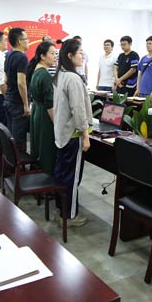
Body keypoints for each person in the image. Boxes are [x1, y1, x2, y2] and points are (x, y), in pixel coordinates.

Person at [53, 38, 93, 227]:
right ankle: (69, 216)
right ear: (70, 55)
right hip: (73, 135)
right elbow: (78, 109)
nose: (82, 56)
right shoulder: (73, 78)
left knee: (62, 174)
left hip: (62, 133)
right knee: (72, 177)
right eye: (80, 53)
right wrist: (85, 135)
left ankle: (61, 209)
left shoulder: (61, 74)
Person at [27, 42, 58, 174]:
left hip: (36, 111)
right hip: (45, 115)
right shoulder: (45, 75)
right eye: (52, 53)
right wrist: (56, 124)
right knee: (46, 149)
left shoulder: (36, 70)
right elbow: (49, 104)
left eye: (55, 53)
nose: (55, 56)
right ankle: (46, 179)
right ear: (42, 56)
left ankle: (37, 174)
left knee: (37, 146)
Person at [4, 28, 31, 152]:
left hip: (9, 99)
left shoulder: (9, 55)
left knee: (10, 136)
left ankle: (10, 161)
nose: (28, 41)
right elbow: (21, 83)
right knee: (18, 140)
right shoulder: (22, 58)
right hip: (18, 103)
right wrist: (26, 104)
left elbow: (5, 79)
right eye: (26, 39)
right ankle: (18, 162)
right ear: (20, 41)